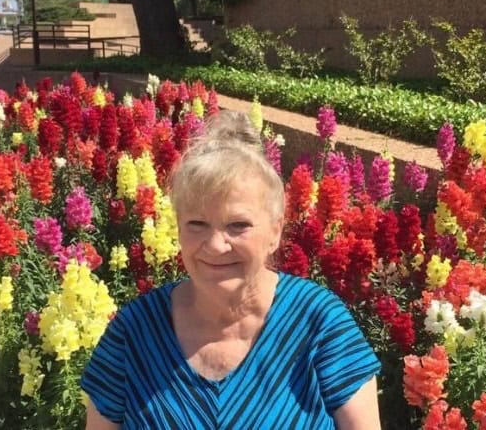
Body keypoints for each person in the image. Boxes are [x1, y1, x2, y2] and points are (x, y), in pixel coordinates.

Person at [81, 110, 382, 429]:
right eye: (197, 223)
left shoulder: (319, 322)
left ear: (275, 231)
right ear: (179, 228)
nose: (215, 245)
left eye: (237, 225)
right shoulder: (134, 332)